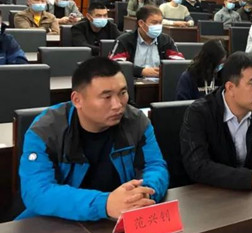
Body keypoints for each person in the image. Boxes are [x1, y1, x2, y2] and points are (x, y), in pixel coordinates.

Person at [17, 57, 169, 221]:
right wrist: (104, 204)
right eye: (107, 97)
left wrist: (145, 193)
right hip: (59, 222)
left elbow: (155, 166)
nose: (118, 105)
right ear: (77, 100)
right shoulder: (46, 130)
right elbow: (37, 192)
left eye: (122, 93)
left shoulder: (136, 121)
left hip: (118, 218)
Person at [180, 51, 252, 192]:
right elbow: (198, 166)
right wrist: (251, 179)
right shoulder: (199, 113)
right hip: (210, 195)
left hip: (250, 194)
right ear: (230, 88)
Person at [109, 6, 184, 77]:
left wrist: (164, 70)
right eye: (154, 22)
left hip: (161, 82)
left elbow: (179, 63)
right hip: (131, 82)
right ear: (141, 23)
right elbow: (115, 65)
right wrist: (140, 71)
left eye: (160, 22)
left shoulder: (166, 40)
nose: (158, 26)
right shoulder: (124, 40)